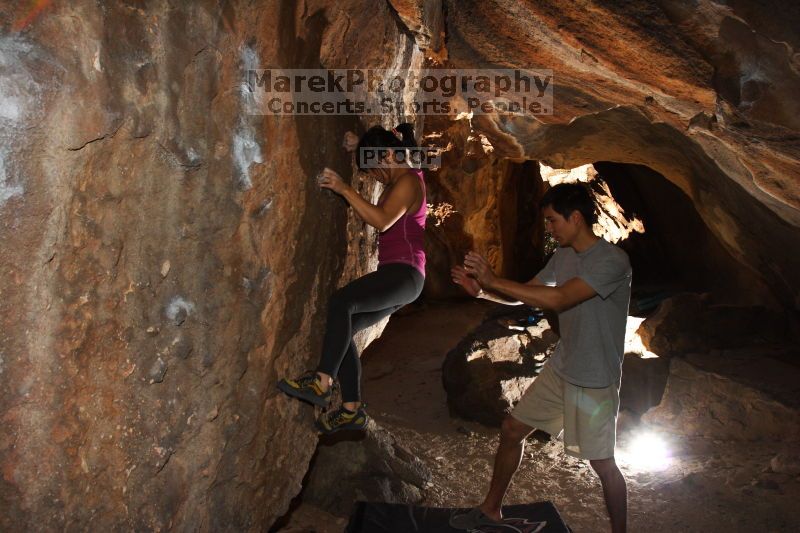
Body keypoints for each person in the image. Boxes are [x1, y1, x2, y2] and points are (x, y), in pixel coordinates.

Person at [449, 183, 631, 533]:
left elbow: (561, 298)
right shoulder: (564, 255)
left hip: (594, 377)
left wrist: (494, 278)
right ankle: (490, 510)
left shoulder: (611, 261)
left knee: (603, 464)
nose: (549, 229)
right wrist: (484, 290)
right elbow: (528, 297)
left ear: (575, 218)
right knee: (512, 429)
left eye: (552, 221)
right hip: (563, 366)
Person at [277, 124, 426, 434]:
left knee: (341, 302)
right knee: (345, 327)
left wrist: (345, 188)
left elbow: (383, 221)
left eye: (373, 169)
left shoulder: (409, 181)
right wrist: (361, 145)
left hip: (405, 273)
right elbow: (400, 150)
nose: (373, 177)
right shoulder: (405, 173)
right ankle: (351, 409)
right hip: (400, 276)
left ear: (387, 155)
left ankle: (321, 382)